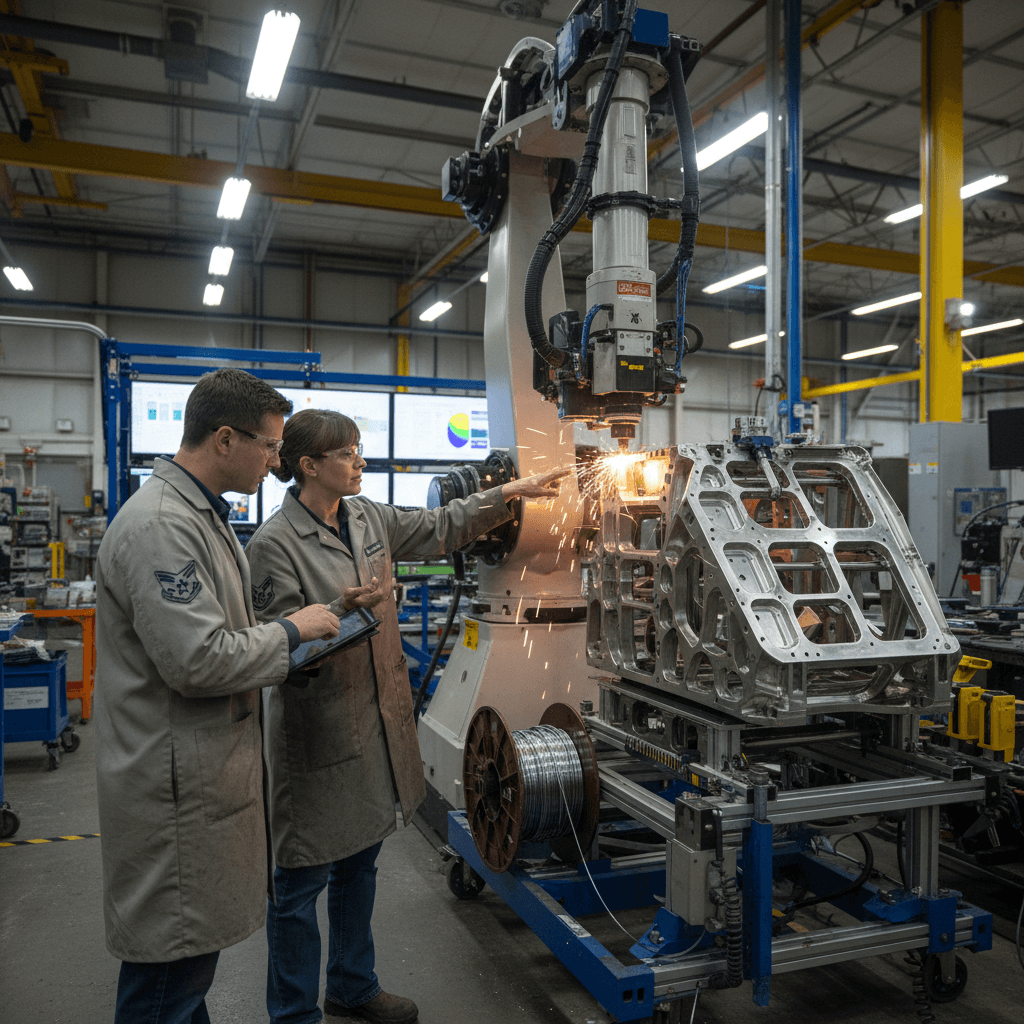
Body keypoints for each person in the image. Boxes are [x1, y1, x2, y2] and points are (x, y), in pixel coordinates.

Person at [245, 408, 569, 1024]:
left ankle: (351, 984)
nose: (361, 461)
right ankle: (291, 1013)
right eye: (348, 453)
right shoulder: (274, 544)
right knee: (298, 885)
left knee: (360, 864)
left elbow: (441, 525)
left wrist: (508, 495)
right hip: (316, 735)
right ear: (309, 466)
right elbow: (276, 649)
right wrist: (345, 612)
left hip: (373, 725)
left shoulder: (368, 517)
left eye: (360, 449)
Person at [94, 369, 342, 1024]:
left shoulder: (200, 517)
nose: (278, 461)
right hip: (173, 793)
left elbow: (220, 635)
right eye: (269, 446)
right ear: (224, 438)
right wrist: (292, 630)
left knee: (184, 977)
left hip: (197, 777)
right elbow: (199, 661)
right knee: (166, 981)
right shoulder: (161, 529)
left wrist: (295, 642)